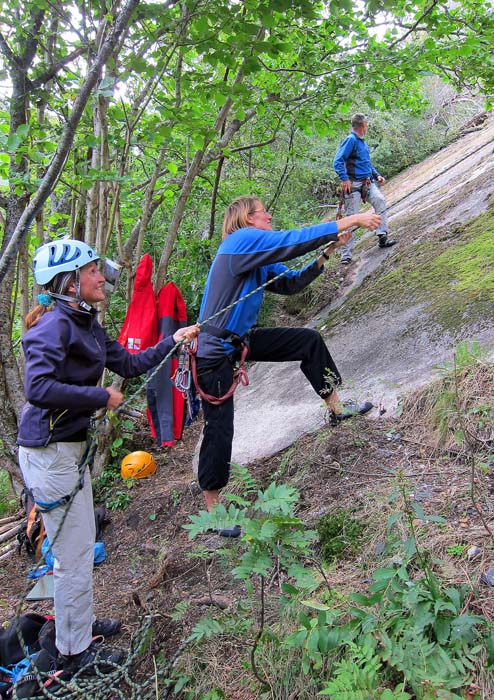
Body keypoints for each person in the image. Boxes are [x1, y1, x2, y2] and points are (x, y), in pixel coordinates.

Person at [17, 239, 199, 676]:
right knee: (74, 554)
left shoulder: (87, 323)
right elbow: (36, 389)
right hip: (49, 453)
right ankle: (74, 652)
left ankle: (75, 627)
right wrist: (100, 395)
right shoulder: (52, 327)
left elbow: (132, 365)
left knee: (76, 549)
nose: (101, 277)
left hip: (68, 451)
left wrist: (172, 340)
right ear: (69, 282)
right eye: (92, 270)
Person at [194, 196, 381, 535]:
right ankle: (213, 512)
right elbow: (290, 242)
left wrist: (329, 250)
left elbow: (292, 282)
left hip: (238, 342)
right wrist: (351, 219)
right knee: (219, 427)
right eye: (264, 211)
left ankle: (337, 409)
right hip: (213, 353)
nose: (269, 214)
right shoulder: (240, 242)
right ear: (248, 219)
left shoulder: (255, 256)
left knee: (307, 341)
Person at [333, 112, 397, 264]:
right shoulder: (351, 140)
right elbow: (337, 161)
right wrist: (344, 178)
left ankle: (382, 236)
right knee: (351, 219)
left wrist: (376, 175)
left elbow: (366, 163)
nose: (367, 127)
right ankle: (346, 254)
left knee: (380, 201)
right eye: (366, 124)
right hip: (354, 186)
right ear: (363, 125)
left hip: (367, 183)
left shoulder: (362, 142)